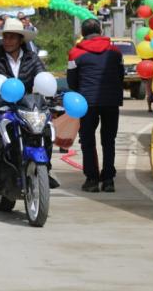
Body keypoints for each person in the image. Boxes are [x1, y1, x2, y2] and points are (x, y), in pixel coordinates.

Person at [0, 18, 58, 190]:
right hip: (2, 106)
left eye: (12, 37)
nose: (7, 41)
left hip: (28, 107)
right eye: (5, 37)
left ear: (20, 40)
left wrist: (52, 97)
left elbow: (43, 77)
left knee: (46, 128)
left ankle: (45, 170)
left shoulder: (32, 58)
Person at [67, 19, 124, 192]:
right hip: (111, 102)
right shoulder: (115, 51)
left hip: (87, 103)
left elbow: (71, 82)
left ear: (82, 34)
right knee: (109, 140)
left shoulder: (75, 53)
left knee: (88, 140)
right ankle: (108, 180)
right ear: (100, 31)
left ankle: (92, 180)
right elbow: (120, 76)